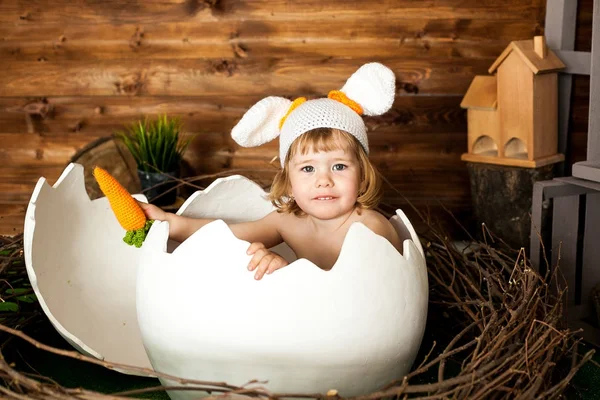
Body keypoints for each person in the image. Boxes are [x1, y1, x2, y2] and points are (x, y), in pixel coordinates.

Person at [140, 62, 409, 280]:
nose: (323, 181)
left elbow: (358, 294)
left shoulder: (370, 228)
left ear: (362, 176)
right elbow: (225, 234)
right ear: (288, 182)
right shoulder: (287, 222)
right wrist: (168, 222)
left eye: (339, 166)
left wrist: (286, 274)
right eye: (307, 168)